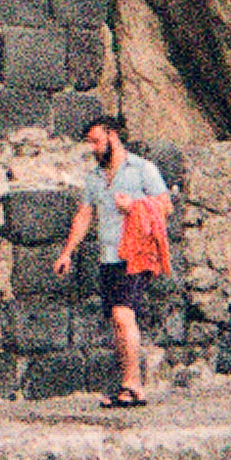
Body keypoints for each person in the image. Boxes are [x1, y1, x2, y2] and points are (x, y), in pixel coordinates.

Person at [54, 113, 166, 408]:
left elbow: (165, 206)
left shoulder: (142, 169)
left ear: (112, 136)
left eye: (96, 141)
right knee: (118, 322)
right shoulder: (95, 177)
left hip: (135, 253)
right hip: (108, 257)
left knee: (122, 314)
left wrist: (135, 206)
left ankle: (133, 386)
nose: (92, 148)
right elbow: (84, 215)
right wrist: (67, 252)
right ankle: (128, 383)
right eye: (89, 142)